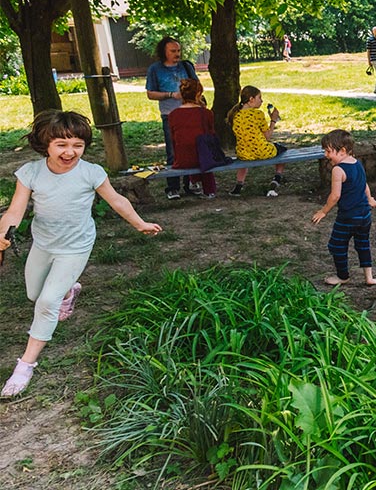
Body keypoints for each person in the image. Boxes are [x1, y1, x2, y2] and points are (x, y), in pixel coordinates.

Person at [0, 111, 161, 398]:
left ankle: (25, 366)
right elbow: (14, 211)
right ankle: (68, 291)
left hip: (75, 247)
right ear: (45, 144)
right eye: (61, 145)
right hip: (44, 244)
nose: (70, 152)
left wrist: (140, 224)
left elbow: (117, 200)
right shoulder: (30, 173)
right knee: (35, 294)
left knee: (46, 302)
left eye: (78, 145)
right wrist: (3, 233)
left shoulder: (91, 172)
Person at [312, 129, 376, 286]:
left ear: (342, 150)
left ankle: (343, 276)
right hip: (365, 215)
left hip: (348, 217)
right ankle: (369, 277)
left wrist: (323, 211)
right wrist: (369, 198)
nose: (325, 155)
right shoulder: (357, 163)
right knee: (363, 244)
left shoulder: (338, 170)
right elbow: (364, 184)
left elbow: (335, 196)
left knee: (336, 245)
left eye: (328, 151)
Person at [145, 36, 198, 200]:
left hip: (189, 112)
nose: (177, 54)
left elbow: (197, 86)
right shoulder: (155, 69)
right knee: (173, 150)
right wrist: (170, 95)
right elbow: (150, 94)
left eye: (179, 50)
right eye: (173, 51)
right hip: (170, 114)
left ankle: (190, 183)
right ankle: (173, 186)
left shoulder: (186, 66)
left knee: (191, 148)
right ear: (164, 52)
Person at [227, 86, 286, 197]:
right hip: (261, 151)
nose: (261, 101)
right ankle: (277, 178)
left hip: (243, 153)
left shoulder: (235, 115)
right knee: (282, 150)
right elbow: (267, 137)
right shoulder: (258, 114)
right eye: (259, 98)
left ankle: (239, 185)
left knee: (245, 154)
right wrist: (273, 120)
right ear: (251, 99)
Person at [168, 78, 217, 198]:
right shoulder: (206, 113)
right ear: (198, 94)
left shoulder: (173, 115)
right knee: (203, 150)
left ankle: (194, 181)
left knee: (193, 147)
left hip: (181, 159)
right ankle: (209, 189)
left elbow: (174, 139)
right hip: (203, 159)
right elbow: (211, 135)